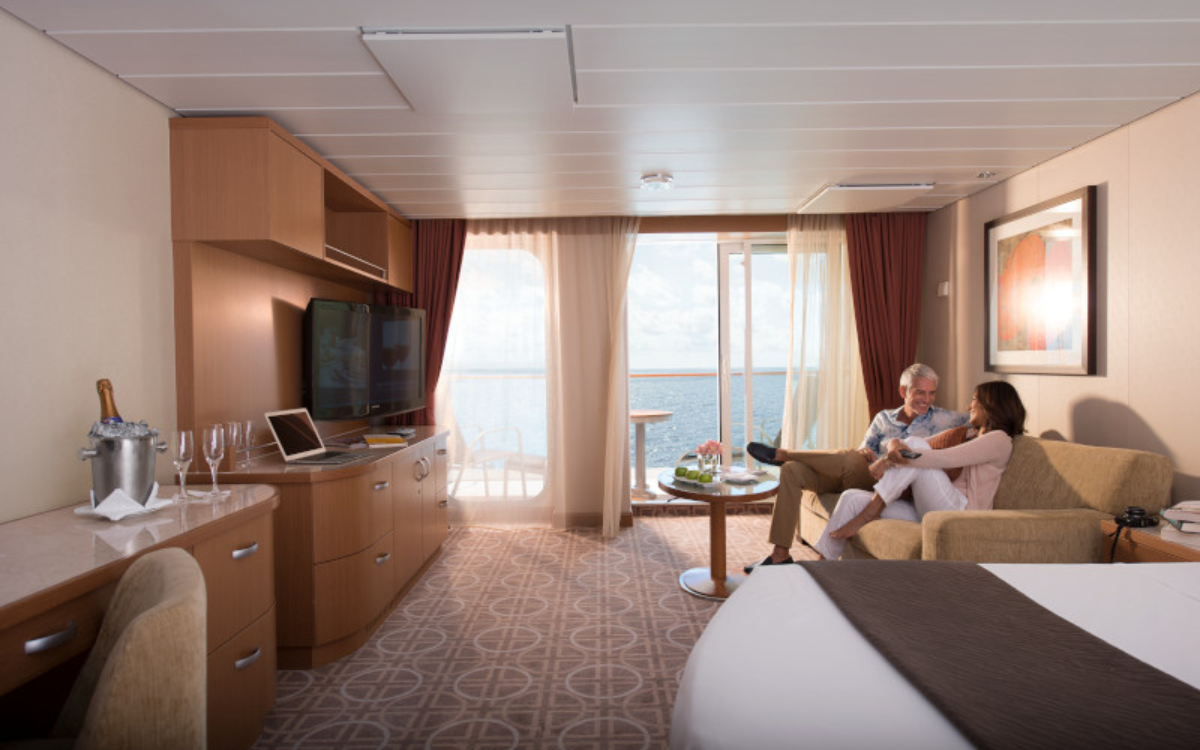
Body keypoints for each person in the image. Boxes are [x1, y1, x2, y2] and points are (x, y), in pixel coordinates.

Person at [744, 363, 969, 572]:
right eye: (920, 392)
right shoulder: (884, 419)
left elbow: (976, 421)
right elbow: (862, 451)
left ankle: (783, 454)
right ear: (903, 391)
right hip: (862, 473)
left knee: (849, 458)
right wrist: (865, 454)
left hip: (886, 485)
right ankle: (780, 554)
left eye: (931, 393)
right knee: (792, 471)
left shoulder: (944, 419)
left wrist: (978, 411)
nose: (927, 400)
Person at [813, 380, 1027, 560]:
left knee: (917, 448)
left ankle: (871, 512)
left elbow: (943, 458)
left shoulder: (999, 440)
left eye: (974, 400)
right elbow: (909, 442)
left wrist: (897, 455)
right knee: (851, 498)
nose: (969, 405)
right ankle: (821, 565)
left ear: (990, 406)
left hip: (961, 514)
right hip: (934, 506)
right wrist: (891, 450)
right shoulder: (970, 434)